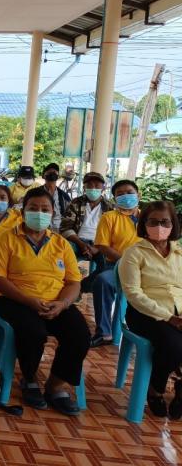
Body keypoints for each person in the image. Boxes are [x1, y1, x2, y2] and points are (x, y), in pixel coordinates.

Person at [0, 187, 89, 416]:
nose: (39, 213)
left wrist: (62, 304)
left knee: (80, 334)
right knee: (33, 331)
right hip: (14, 298)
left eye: (45, 209)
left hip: (55, 301)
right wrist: (28, 300)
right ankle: (29, 378)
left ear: (53, 213)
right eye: (33, 208)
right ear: (23, 212)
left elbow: (74, 282)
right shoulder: (6, 239)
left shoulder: (61, 244)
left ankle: (55, 386)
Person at [118, 201, 182, 419]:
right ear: (143, 224)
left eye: (164, 222)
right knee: (173, 345)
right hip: (144, 314)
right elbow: (134, 294)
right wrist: (168, 317)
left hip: (178, 314)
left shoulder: (179, 254)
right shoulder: (134, 254)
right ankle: (155, 388)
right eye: (153, 222)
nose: (159, 226)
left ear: (173, 224)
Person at [91, 179, 141, 347]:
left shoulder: (149, 218)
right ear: (114, 199)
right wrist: (127, 262)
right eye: (120, 194)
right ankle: (104, 332)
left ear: (138, 194)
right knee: (103, 281)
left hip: (146, 268)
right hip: (117, 266)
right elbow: (102, 246)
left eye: (129, 192)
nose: (126, 196)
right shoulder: (109, 217)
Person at [59, 171, 111, 281]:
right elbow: (65, 227)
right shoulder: (75, 203)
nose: (93, 188)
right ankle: (65, 283)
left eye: (97, 185)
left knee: (106, 265)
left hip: (100, 244)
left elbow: (112, 233)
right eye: (90, 185)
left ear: (103, 188)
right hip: (76, 241)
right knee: (62, 253)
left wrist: (97, 247)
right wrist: (81, 244)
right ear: (84, 187)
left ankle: (84, 286)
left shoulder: (109, 207)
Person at [41, 163, 72, 232]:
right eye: (49, 172)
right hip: (41, 228)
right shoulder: (36, 194)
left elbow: (69, 216)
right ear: (43, 176)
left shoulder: (64, 196)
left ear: (58, 176)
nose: (52, 174)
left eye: (54, 172)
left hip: (59, 229)